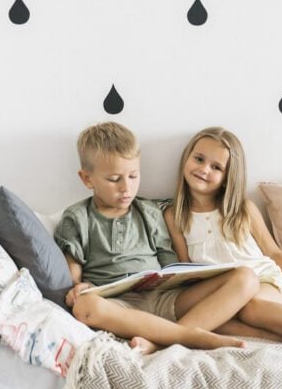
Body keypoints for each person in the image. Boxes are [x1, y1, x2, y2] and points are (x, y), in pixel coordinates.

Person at [54, 121, 262, 353]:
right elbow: (72, 265)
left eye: (133, 176)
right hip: (119, 305)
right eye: (114, 179)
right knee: (85, 306)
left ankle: (163, 341)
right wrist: (77, 287)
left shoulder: (151, 212)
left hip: (164, 297)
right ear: (87, 179)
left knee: (246, 278)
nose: (126, 188)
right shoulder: (77, 217)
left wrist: (180, 277)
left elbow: (170, 264)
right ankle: (191, 337)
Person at [163, 127, 282, 347]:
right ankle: (278, 338)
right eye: (198, 159)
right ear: (186, 158)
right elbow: (186, 266)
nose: (203, 169)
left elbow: (273, 252)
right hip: (220, 288)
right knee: (212, 314)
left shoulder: (242, 209)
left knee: (249, 307)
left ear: (228, 177)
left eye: (216, 167)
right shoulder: (174, 215)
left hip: (264, 282)